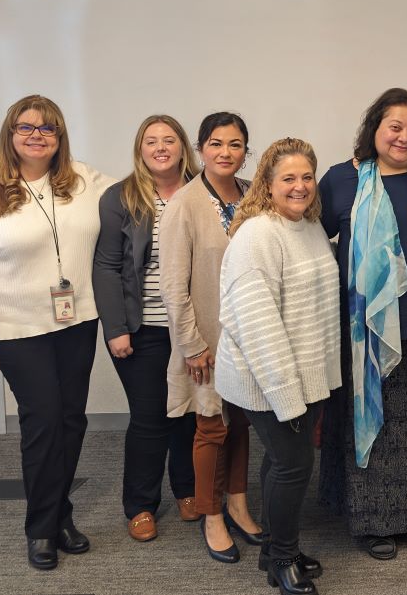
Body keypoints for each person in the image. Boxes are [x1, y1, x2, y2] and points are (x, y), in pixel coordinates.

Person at [0, 94, 114, 570]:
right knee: (43, 423)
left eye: (48, 128)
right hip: (17, 329)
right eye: (26, 127)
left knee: (71, 420)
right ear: (10, 134)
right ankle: (40, 528)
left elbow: (136, 193)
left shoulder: (82, 180)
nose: (37, 135)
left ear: (60, 136)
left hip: (77, 321)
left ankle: (61, 516)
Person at [317, 88, 407, 560]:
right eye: (394, 126)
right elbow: (308, 242)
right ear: (374, 130)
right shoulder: (341, 179)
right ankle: (373, 521)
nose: (404, 136)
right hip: (365, 332)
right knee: (373, 419)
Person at [216, 138, 340, 595]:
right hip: (267, 380)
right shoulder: (257, 236)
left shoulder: (307, 227)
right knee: (293, 465)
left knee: (282, 463)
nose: (300, 186)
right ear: (267, 184)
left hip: (305, 377)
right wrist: (286, 395)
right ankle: (282, 560)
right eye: (288, 178)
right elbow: (258, 326)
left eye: (307, 176)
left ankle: (275, 550)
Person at [160, 112, 264, 563]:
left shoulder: (252, 196)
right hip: (206, 339)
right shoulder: (184, 203)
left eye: (236, 144)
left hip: (249, 336)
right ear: (200, 148)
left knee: (241, 422)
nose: (226, 153)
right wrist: (193, 344)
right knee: (211, 427)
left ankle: (239, 504)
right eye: (217, 144)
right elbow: (172, 285)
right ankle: (212, 515)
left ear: (246, 151)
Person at [93, 114, 200, 542]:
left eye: (169, 139)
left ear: (182, 147)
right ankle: (140, 505)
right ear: (140, 149)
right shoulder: (121, 197)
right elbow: (106, 265)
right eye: (151, 140)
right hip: (143, 328)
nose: (160, 147)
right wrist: (115, 328)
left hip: (192, 327)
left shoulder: (202, 190)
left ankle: (189, 490)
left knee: (190, 414)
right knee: (150, 417)